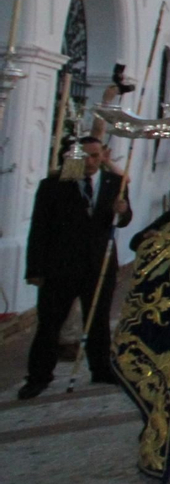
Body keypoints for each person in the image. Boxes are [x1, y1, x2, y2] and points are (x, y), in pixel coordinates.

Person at [20, 137, 133, 399]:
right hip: (61, 265)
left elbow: (122, 220)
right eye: (86, 157)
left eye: (96, 156)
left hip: (98, 263)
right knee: (50, 323)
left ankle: (101, 367)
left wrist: (123, 210)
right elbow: (39, 229)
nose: (91, 162)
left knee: (98, 319)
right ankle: (38, 375)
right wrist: (35, 269)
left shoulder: (113, 183)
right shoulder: (53, 186)